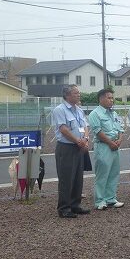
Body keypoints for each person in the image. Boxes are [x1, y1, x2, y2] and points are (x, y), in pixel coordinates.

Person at [51, 84, 90, 218]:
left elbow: (85, 126)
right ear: (67, 95)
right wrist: (77, 141)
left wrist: (85, 138)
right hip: (67, 147)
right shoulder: (60, 110)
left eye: (79, 93)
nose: (79, 95)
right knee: (66, 178)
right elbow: (63, 129)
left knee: (78, 177)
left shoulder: (78, 110)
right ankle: (64, 208)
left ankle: (75, 205)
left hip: (79, 146)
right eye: (75, 93)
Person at [88, 88, 125, 210]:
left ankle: (110, 198)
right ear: (101, 99)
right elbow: (98, 131)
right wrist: (110, 143)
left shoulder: (114, 113)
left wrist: (119, 140)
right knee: (102, 174)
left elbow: (120, 129)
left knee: (114, 173)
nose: (111, 100)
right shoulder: (95, 114)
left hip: (115, 146)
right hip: (103, 146)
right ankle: (100, 201)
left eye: (112, 98)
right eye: (109, 98)